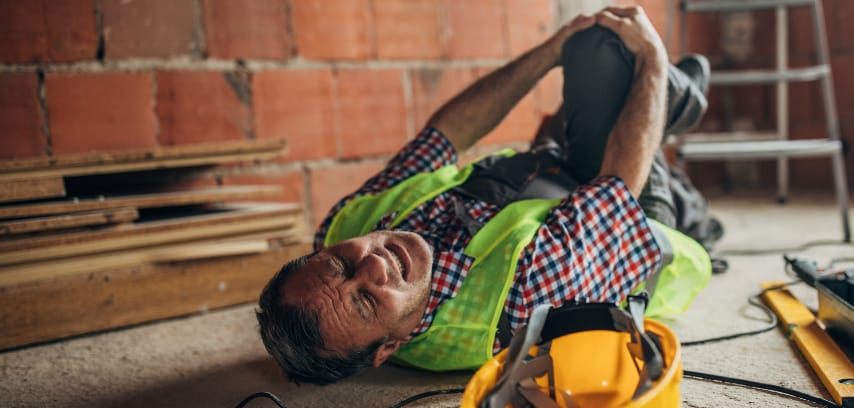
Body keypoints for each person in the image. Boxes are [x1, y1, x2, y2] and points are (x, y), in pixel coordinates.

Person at [256, 6, 718, 385]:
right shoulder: (517, 305)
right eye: (366, 301)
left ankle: (673, 93)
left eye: (341, 264)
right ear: (391, 347)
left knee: (580, 58)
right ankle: (683, 95)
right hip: (633, 222)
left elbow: (444, 136)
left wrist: (551, 49)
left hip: (544, 179)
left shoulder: (344, 226)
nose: (374, 265)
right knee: (607, 54)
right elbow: (617, 185)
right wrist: (654, 60)